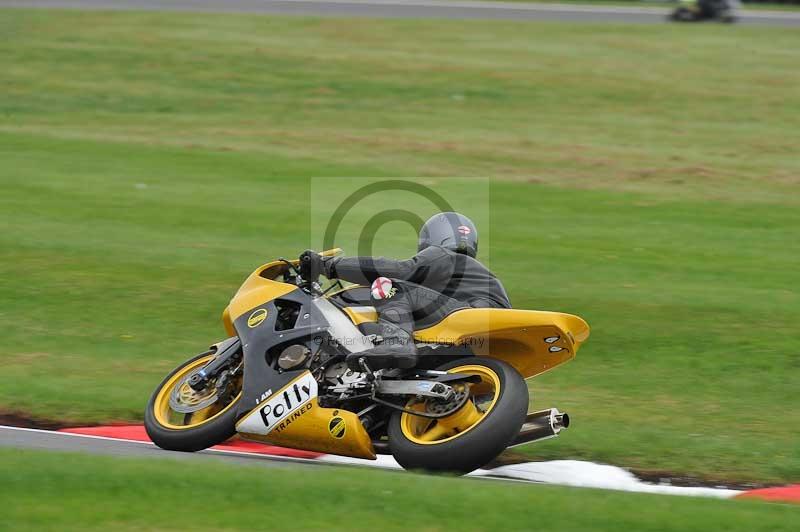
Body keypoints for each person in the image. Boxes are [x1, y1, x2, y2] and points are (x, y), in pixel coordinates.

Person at [301, 212, 511, 371]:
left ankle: (397, 344)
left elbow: (398, 270)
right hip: (489, 343)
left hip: (470, 316)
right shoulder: (472, 274)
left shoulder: (443, 255)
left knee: (389, 286)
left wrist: (327, 265)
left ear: (432, 237)